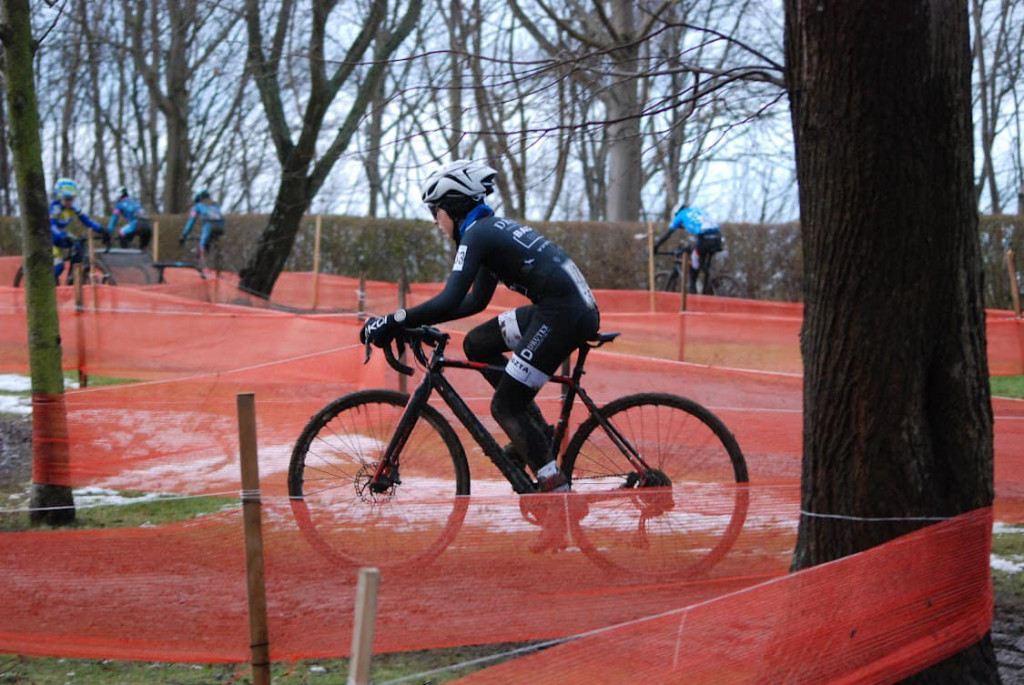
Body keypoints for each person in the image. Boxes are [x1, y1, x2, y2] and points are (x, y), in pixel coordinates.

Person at [361, 160, 600, 493]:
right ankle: (535, 433)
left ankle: (553, 487)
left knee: (504, 406)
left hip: (562, 315)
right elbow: (474, 302)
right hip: (562, 308)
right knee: (478, 344)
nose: (435, 221)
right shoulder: (488, 231)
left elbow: (448, 300)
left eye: (436, 212)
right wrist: (417, 323)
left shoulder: (477, 235)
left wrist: (394, 320)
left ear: (453, 207)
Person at [654, 203, 724, 293]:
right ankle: (709, 286)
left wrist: (655, 247)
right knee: (702, 262)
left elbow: (667, 234)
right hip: (717, 238)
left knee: (693, 271)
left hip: (705, 239)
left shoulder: (680, 215)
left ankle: (693, 295)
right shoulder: (697, 211)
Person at [50, 177, 110, 281]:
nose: (69, 202)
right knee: (59, 267)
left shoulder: (74, 207)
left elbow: (87, 221)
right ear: (60, 197)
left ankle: (72, 276)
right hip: (50, 237)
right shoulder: (55, 207)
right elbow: (51, 225)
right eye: (66, 199)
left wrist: (102, 230)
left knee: (78, 244)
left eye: (71, 199)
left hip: (60, 234)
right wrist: (62, 236)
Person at [178, 188, 225, 256]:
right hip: (221, 226)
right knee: (212, 241)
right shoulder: (215, 204)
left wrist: (184, 235)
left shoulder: (198, 206)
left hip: (209, 226)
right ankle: (218, 255)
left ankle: (202, 256)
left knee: (202, 246)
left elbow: (191, 221)